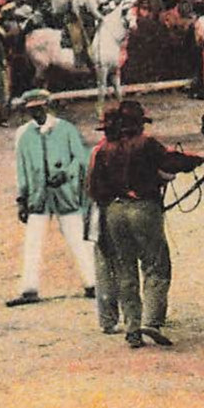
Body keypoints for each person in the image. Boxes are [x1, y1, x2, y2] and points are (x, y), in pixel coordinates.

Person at [85, 99, 204, 348]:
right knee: (155, 265)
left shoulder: (104, 149)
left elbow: (94, 189)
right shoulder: (146, 144)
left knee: (124, 269)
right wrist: (200, 160)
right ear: (139, 124)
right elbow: (172, 161)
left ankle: (132, 328)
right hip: (143, 210)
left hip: (114, 212)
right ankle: (151, 321)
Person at [8, 89, 96, 307]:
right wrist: (21, 198)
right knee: (33, 242)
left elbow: (81, 159)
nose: (36, 113)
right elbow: (21, 168)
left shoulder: (66, 130)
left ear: (47, 106)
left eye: (39, 108)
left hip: (65, 193)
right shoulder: (23, 134)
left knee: (77, 238)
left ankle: (92, 283)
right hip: (37, 196)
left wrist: (66, 173)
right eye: (31, 110)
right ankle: (29, 289)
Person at [86, 106, 124, 336]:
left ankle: (108, 319)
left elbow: (90, 187)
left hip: (101, 211)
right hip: (115, 210)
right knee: (123, 266)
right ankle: (131, 316)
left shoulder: (98, 151)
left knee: (104, 267)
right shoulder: (127, 149)